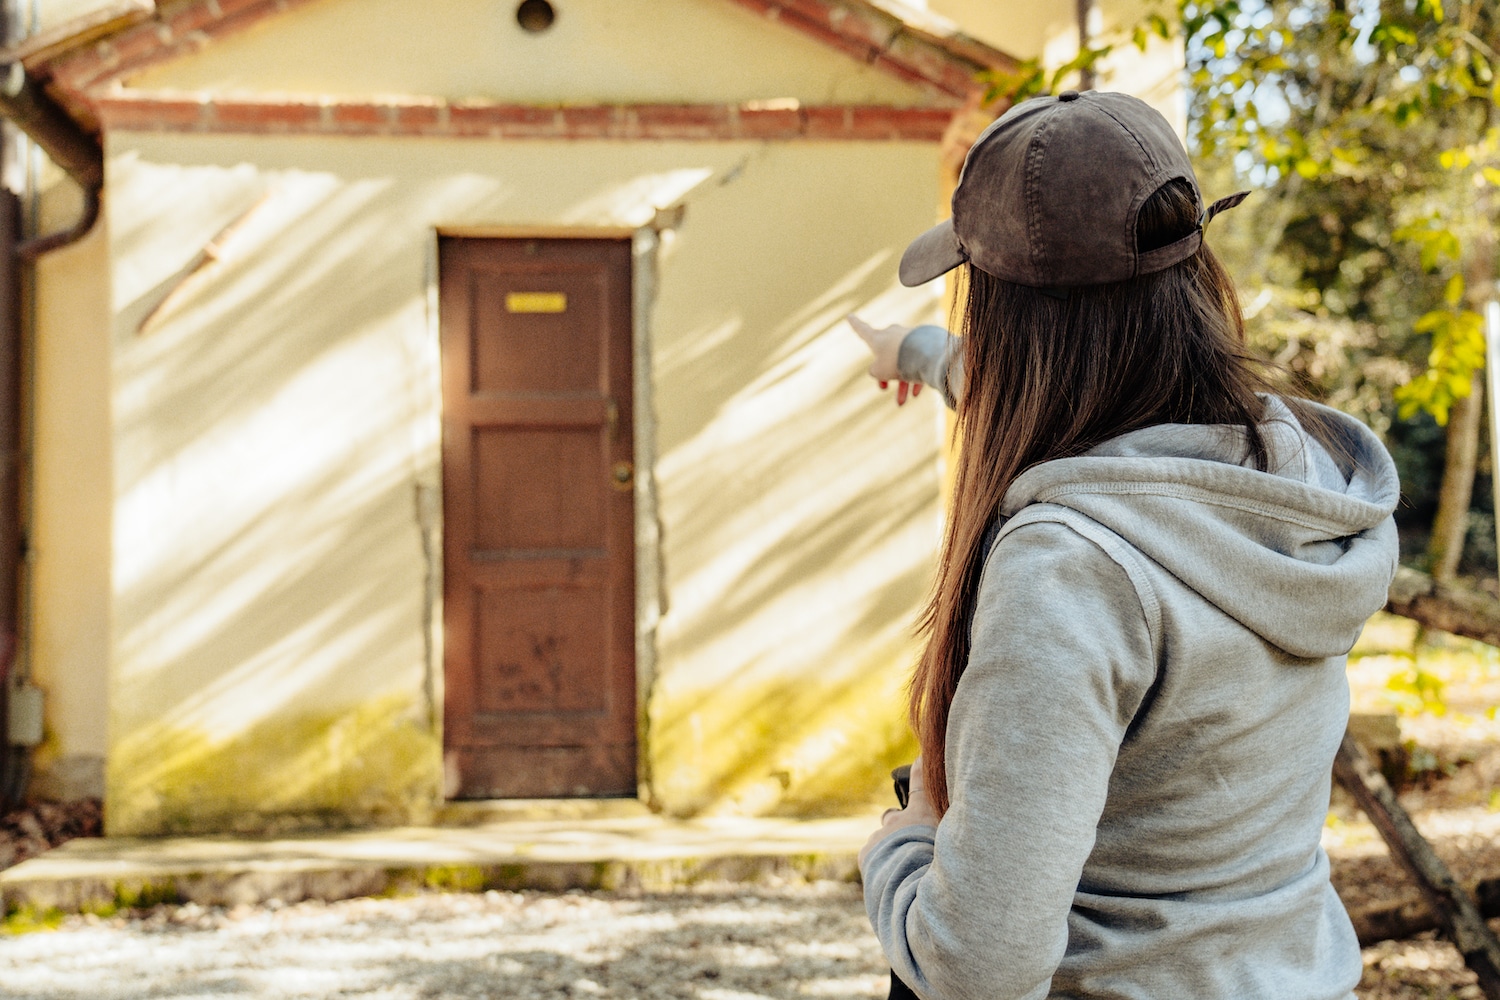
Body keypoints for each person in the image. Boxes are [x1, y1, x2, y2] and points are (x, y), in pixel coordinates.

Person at [849, 90, 1399, 1000]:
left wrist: (900, 846)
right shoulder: (1290, 480)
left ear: (1015, 325)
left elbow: (979, 963)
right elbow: (1016, 392)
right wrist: (909, 352)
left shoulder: (1072, 570)